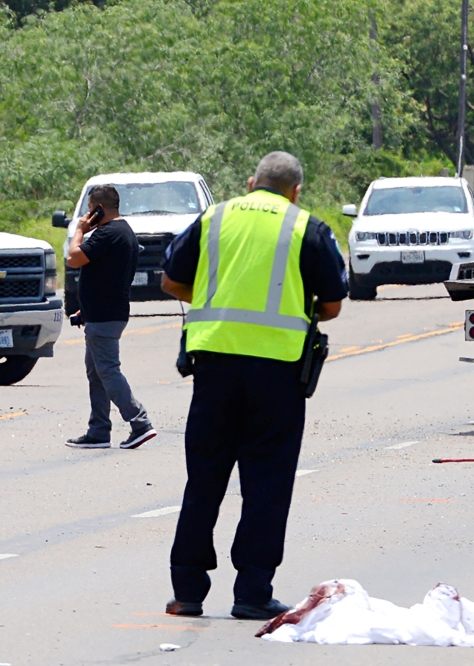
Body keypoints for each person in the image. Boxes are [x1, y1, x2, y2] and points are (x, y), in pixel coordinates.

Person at [160, 151, 349, 619]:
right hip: (277, 374)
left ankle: (187, 592)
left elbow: (171, 281)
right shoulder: (307, 226)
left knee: (203, 479)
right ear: (295, 190)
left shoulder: (214, 217)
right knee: (266, 485)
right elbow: (332, 305)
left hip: (213, 367)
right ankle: (252, 592)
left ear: (251, 183)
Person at [65, 185, 157, 450]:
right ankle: (99, 431)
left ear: (98, 209)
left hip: (106, 316)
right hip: (103, 312)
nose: (86, 214)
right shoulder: (123, 231)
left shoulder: (108, 233)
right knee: (96, 372)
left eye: (89, 209)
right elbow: (108, 276)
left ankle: (140, 423)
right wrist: (88, 307)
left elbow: (73, 258)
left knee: (107, 370)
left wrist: (80, 230)